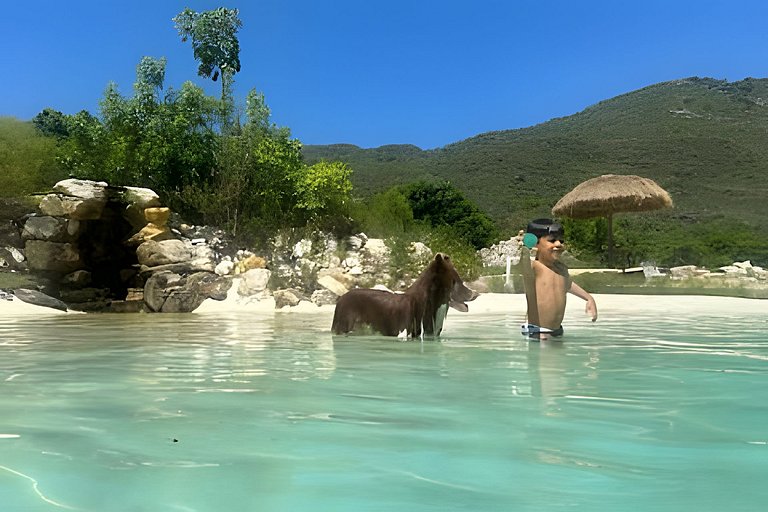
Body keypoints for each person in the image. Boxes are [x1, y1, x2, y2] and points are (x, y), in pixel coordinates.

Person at [521, 218, 597, 340]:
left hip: (556, 331)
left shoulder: (561, 269)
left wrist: (588, 298)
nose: (558, 244)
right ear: (535, 244)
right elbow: (523, 264)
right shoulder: (535, 267)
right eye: (552, 240)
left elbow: (567, 284)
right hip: (539, 333)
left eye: (561, 240)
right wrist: (525, 248)